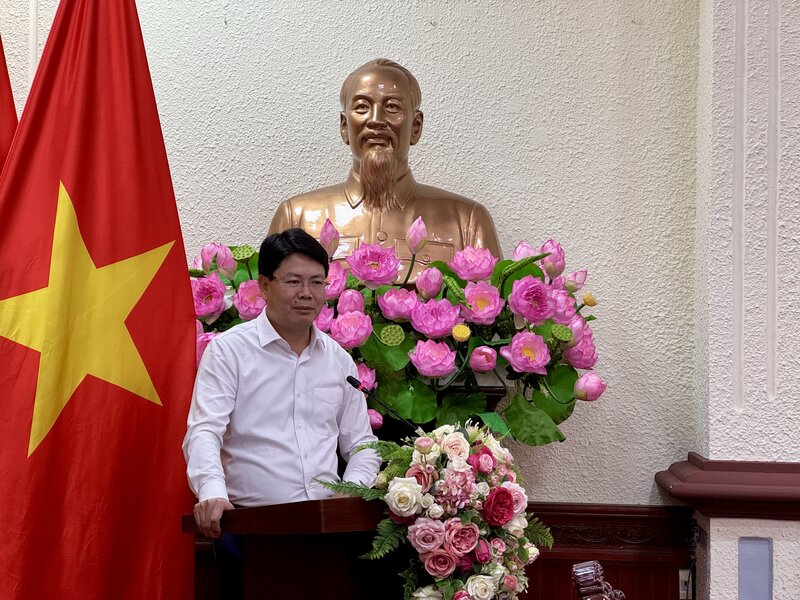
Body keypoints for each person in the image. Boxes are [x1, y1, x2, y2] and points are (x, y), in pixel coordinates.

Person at [183, 228, 380, 598]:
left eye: (317, 282)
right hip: (251, 530)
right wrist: (210, 490)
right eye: (293, 281)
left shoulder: (339, 360)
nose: (307, 293)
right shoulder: (229, 352)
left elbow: (362, 443)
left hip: (327, 534)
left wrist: (351, 491)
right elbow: (204, 431)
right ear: (264, 285)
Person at [268, 59, 502, 279]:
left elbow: (493, 311)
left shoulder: (467, 221)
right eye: (362, 107)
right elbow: (272, 310)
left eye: (392, 107)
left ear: (416, 126)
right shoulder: (296, 216)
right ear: (343, 126)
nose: (376, 120)